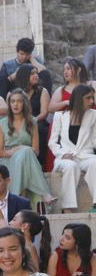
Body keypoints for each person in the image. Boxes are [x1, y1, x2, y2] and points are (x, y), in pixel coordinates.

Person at [0, 89, 53, 204]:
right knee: (26, 150)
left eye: (19, 101)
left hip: (28, 159)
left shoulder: (32, 121)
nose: (15, 104)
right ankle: (44, 193)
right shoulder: (3, 122)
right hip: (8, 159)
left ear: (24, 104)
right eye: (12, 101)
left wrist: (22, 150)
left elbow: (36, 151)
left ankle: (18, 197)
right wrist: (17, 149)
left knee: (26, 152)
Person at [49, 86, 96, 214]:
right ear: (78, 99)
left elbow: (94, 141)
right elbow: (52, 142)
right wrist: (62, 154)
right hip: (64, 157)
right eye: (88, 98)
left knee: (95, 162)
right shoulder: (59, 116)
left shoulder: (94, 115)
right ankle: (67, 207)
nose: (92, 101)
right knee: (71, 166)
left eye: (93, 97)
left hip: (85, 156)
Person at [9, 209, 51, 273]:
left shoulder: (28, 248)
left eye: (14, 220)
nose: (10, 222)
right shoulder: (24, 245)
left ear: (25, 225)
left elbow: (35, 273)